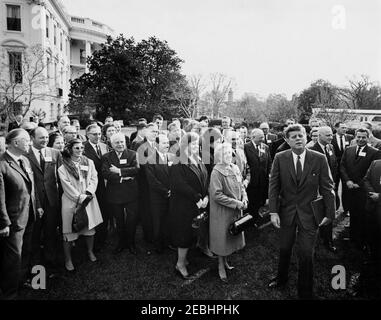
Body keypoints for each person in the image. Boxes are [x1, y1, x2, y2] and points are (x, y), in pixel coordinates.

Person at [268, 124, 335, 299]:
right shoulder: (280, 157)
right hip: (286, 213)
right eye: (294, 136)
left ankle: (305, 291)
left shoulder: (319, 158)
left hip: (309, 214)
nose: (298, 138)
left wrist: (330, 213)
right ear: (287, 140)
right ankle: (281, 279)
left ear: (306, 137)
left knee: (306, 253)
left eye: (301, 135)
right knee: (284, 248)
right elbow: (274, 186)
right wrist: (273, 212)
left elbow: (328, 187)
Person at [0, 129, 40, 299]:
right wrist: (3, 223)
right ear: (16, 143)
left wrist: (37, 206)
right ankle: (9, 293)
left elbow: (31, 188)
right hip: (13, 221)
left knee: (25, 252)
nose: (30, 143)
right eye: (26, 140)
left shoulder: (24, 160)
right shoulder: (2, 164)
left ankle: (21, 282)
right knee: (13, 258)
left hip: (29, 215)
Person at [58, 139, 103, 271]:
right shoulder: (63, 167)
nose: (80, 150)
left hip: (88, 198)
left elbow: (95, 178)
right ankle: (68, 259)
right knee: (69, 231)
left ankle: (90, 251)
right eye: (76, 148)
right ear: (70, 149)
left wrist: (89, 192)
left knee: (89, 229)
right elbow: (66, 185)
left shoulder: (89, 162)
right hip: (71, 201)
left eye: (81, 148)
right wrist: (80, 198)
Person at [169, 132, 209, 279]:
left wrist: (206, 196)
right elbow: (178, 184)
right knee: (184, 234)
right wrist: (197, 197)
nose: (196, 146)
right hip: (183, 205)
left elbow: (204, 176)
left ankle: (184, 258)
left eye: (197, 143)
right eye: (192, 143)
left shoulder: (197, 158)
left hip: (197, 203)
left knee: (192, 232)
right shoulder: (178, 161)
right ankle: (180, 264)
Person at [25, 127, 62, 276]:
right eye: (41, 138)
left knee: (50, 233)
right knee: (34, 235)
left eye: (47, 137)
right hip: (34, 202)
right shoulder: (25, 155)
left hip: (52, 201)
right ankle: (35, 267)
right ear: (32, 138)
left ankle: (50, 264)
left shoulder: (55, 153)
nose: (45, 140)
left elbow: (60, 177)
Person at [209, 143, 247, 283]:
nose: (228, 156)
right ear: (219, 156)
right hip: (223, 211)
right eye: (224, 154)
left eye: (230, 153)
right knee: (222, 238)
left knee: (231, 236)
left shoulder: (235, 167)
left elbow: (241, 185)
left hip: (235, 209)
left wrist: (244, 197)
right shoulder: (216, 172)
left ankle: (225, 262)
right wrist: (236, 203)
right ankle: (220, 265)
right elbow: (216, 195)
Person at [340, 128, 381, 249]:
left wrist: (359, 184)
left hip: (363, 190)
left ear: (368, 138)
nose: (360, 139)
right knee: (352, 212)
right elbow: (342, 166)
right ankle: (352, 237)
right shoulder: (348, 150)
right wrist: (347, 181)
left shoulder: (375, 152)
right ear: (355, 137)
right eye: (358, 137)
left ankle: (361, 240)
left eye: (363, 137)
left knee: (362, 214)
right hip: (349, 188)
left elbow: (371, 173)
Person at [102, 133, 139, 255]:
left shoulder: (133, 154)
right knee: (119, 220)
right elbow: (106, 173)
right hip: (115, 194)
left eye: (122, 141)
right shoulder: (107, 157)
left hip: (131, 194)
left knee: (132, 219)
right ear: (112, 144)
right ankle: (121, 242)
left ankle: (131, 242)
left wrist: (119, 171)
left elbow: (136, 169)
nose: (120, 144)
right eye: (117, 142)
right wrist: (124, 177)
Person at [310, 126, 339, 253]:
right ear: (319, 136)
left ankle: (328, 241)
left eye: (331, 135)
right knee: (316, 216)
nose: (331, 137)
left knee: (329, 214)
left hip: (330, 188)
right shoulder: (310, 150)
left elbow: (334, 167)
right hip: (317, 191)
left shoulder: (331, 147)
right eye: (328, 135)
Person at [145, 134, 174, 253]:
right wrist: (166, 191)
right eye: (164, 143)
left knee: (168, 219)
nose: (167, 145)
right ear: (156, 145)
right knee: (158, 221)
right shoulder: (150, 160)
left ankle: (168, 242)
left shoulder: (171, 157)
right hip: (158, 197)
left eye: (167, 143)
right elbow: (152, 181)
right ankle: (158, 245)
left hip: (171, 196)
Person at [83, 124, 109, 251]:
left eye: (99, 134)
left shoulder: (105, 146)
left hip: (105, 186)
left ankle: (103, 239)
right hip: (91, 186)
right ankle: (92, 242)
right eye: (94, 134)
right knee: (92, 214)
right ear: (88, 135)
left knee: (104, 212)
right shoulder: (82, 148)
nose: (98, 136)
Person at [244, 128, 272, 223]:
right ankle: (250, 219)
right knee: (252, 201)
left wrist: (269, 174)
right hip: (252, 180)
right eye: (260, 137)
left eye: (263, 137)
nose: (262, 139)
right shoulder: (246, 147)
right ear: (253, 137)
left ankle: (256, 217)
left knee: (260, 200)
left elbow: (269, 163)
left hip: (263, 180)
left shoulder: (265, 147)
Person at [362, 160, 381, 298]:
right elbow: (366, 179)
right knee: (373, 235)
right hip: (372, 209)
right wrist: (372, 193)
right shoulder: (375, 164)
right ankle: (373, 258)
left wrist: (379, 197)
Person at [331, 122, 353, 214]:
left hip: (345, 167)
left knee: (346, 189)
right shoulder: (331, 138)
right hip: (335, 167)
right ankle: (334, 208)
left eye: (345, 127)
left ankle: (346, 209)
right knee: (334, 188)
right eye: (342, 127)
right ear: (336, 128)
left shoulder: (350, 138)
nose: (345, 129)